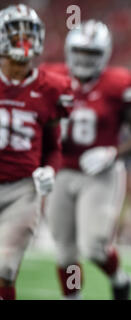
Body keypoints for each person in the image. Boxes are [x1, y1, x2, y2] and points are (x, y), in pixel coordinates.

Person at [43, 20, 131, 300]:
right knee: (65, 251)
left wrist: (113, 153)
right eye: (79, 52)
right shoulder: (50, 78)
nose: (84, 59)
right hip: (61, 170)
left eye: (92, 54)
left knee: (93, 246)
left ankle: (119, 278)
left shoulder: (118, 84)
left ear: (104, 55)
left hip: (100, 173)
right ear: (69, 51)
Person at [0, 4, 72, 300]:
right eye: (16, 34)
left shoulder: (52, 88)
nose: (23, 41)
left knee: (4, 268)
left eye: (29, 34)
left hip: (22, 190)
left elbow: (53, 147)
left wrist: (49, 170)